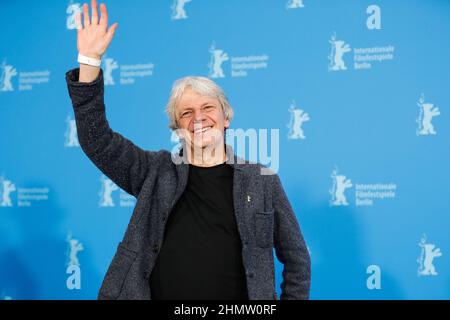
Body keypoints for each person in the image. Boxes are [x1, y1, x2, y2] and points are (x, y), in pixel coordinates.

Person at [65, 0, 310, 300]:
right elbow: (97, 140)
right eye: (186, 113)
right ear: (176, 127)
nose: (198, 119)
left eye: (208, 107)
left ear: (226, 116)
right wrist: (89, 61)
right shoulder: (153, 171)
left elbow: (297, 259)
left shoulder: (262, 179)